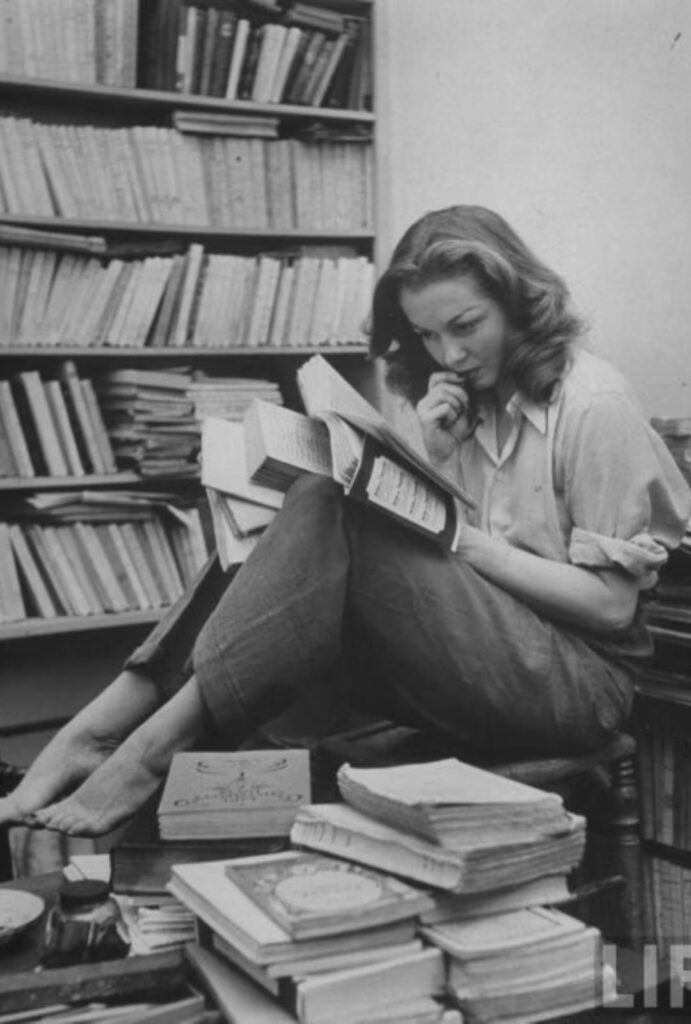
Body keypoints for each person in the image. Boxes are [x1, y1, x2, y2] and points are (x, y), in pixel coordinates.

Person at [2, 205, 689, 838]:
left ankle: (142, 746)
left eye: (465, 326)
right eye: (427, 335)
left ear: (519, 302)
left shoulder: (592, 405)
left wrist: (469, 543)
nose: (449, 354)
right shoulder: (464, 400)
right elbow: (447, 580)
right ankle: (105, 728)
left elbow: (610, 606)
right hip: (482, 660)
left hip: (576, 687)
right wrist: (436, 458)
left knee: (333, 505)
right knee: (294, 516)